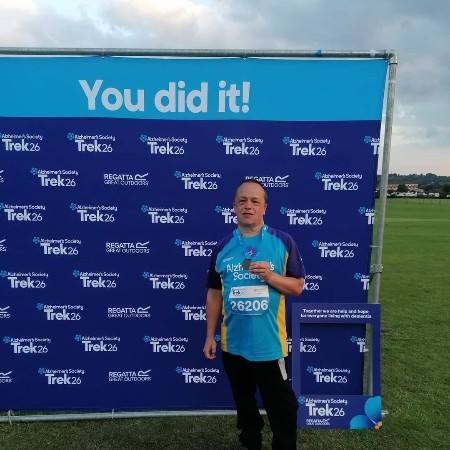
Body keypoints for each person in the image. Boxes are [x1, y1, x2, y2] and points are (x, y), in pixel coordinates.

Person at [203, 178, 306, 450]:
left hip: (269, 345)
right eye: (242, 201)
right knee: (244, 403)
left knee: (283, 407)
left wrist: (271, 276)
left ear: (264, 208)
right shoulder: (222, 247)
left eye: (254, 201)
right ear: (234, 207)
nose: (248, 206)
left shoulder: (283, 242)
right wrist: (210, 336)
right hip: (233, 345)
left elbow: (297, 287)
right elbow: (214, 293)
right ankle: (251, 443)